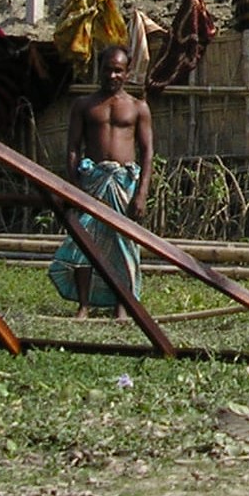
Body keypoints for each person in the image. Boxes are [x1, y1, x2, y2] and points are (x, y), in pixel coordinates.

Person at [48, 45, 154, 319]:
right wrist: (73, 186)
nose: (112, 75)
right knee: (85, 241)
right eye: (108, 69)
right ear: (100, 69)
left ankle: (122, 305)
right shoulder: (84, 105)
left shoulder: (138, 107)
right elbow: (72, 147)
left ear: (127, 73)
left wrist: (142, 193)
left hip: (123, 184)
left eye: (118, 70)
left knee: (123, 245)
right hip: (92, 181)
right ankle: (84, 305)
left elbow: (147, 152)